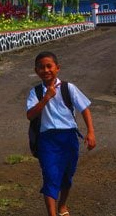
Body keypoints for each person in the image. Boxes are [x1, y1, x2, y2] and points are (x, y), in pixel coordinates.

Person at [27, 51, 96, 216]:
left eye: (49, 66)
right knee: (50, 175)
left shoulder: (68, 88)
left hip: (69, 138)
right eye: (41, 67)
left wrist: (91, 132)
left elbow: (84, 109)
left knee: (67, 175)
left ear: (57, 68)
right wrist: (46, 98)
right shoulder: (35, 92)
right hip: (47, 140)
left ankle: (62, 206)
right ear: (36, 71)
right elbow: (30, 115)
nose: (46, 70)